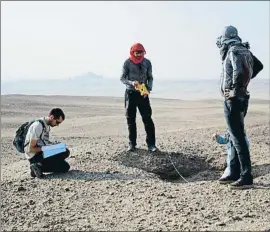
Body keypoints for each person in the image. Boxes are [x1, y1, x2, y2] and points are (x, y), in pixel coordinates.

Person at [216, 25, 262, 189]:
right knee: (235, 135)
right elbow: (258, 66)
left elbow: (240, 72)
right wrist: (243, 86)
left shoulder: (233, 50)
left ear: (225, 38)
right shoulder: (243, 49)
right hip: (242, 98)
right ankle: (234, 173)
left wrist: (235, 90)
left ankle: (246, 177)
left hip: (234, 100)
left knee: (238, 138)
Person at [120, 43, 157, 152]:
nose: (139, 55)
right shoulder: (127, 63)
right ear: (132, 52)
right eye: (137, 53)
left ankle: (151, 145)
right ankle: (132, 144)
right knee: (131, 119)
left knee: (147, 119)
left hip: (143, 94)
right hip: (131, 93)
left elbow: (150, 78)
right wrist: (132, 83)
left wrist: (148, 89)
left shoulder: (147, 62)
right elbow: (122, 78)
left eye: (141, 53)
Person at [24, 108, 70, 178]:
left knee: (65, 152)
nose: (57, 125)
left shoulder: (46, 125)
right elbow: (31, 149)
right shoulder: (37, 126)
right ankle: (35, 167)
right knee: (65, 167)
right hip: (35, 155)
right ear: (52, 117)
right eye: (57, 122)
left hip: (42, 152)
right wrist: (48, 148)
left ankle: (40, 165)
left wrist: (54, 146)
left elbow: (44, 141)